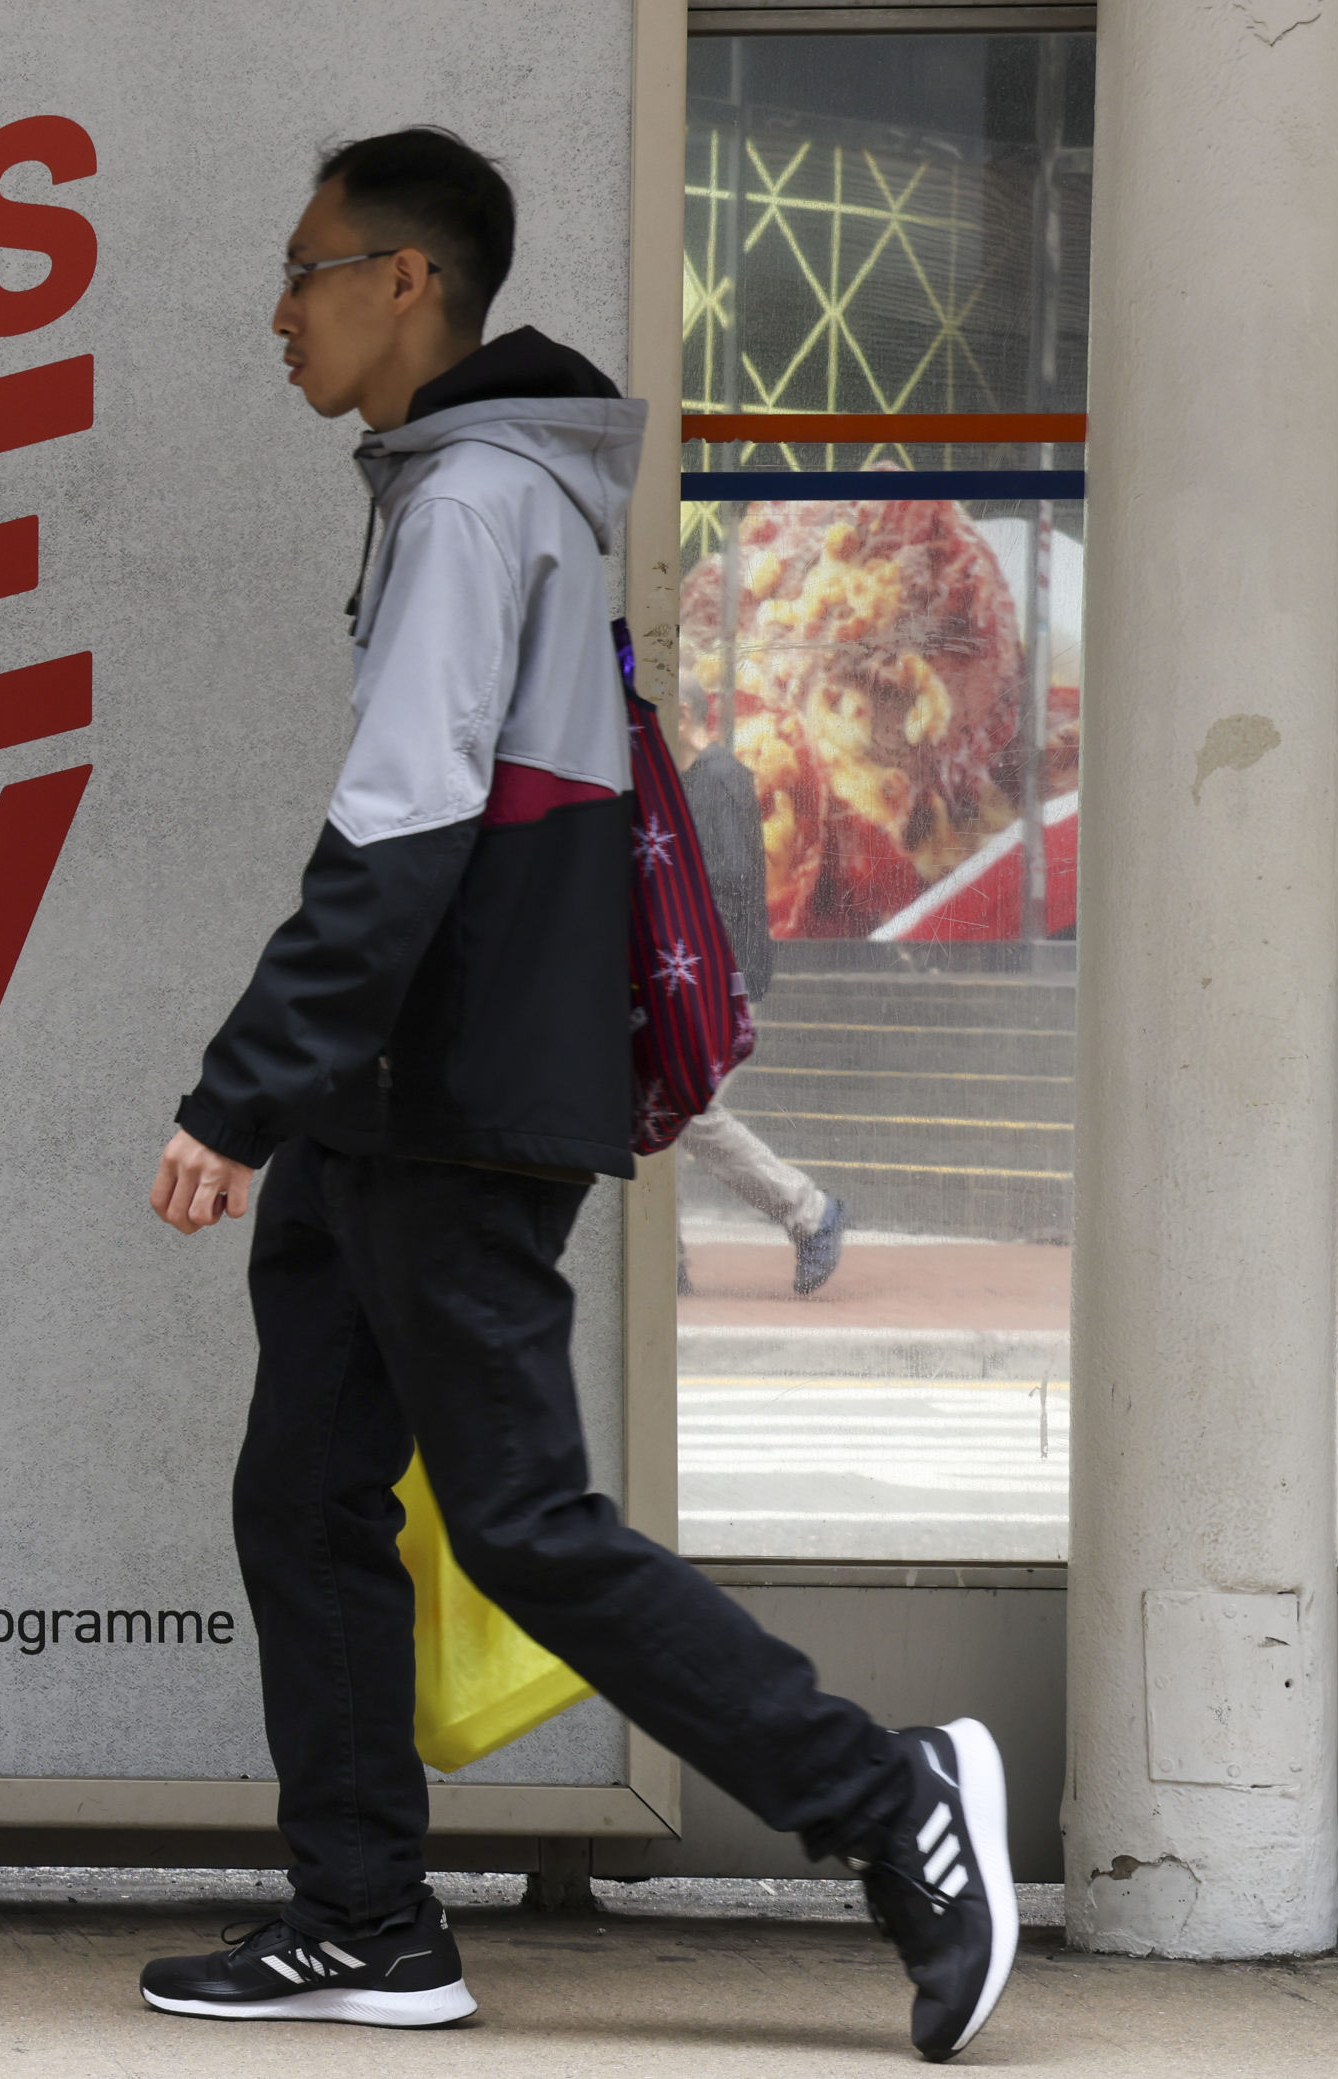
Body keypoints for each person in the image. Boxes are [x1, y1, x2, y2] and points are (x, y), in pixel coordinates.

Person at [132, 130, 1011, 2060]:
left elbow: (403, 824)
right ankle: (363, 1915)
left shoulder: (468, 497)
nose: (275, 311)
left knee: (517, 1514)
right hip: (394, 1098)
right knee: (303, 1499)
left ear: (405, 284)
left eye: (304, 269)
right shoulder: (467, 489)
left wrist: (234, 1093)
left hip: (436, 1094)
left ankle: (882, 1799)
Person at [675, 733, 847, 1297]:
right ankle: (660, 1252)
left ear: (682, 720)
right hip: (709, 978)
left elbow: (723, 883)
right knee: (663, 1111)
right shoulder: (706, 778)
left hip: (716, 983)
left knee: (691, 1112)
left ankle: (811, 1212)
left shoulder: (717, 779)